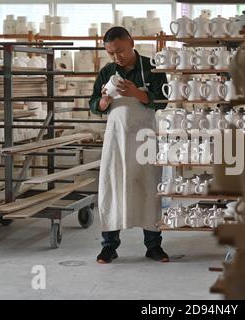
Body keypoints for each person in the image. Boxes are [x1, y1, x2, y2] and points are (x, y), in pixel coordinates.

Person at [89, 27, 169, 263]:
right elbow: (94, 104)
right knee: (112, 187)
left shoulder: (152, 68)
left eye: (120, 51)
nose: (117, 57)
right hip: (117, 139)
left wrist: (136, 93)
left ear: (132, 42)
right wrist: (104, 100)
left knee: (149, 187)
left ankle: (153, 245)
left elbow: (162, 101)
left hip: (144, 137)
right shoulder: (107, 72)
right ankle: (109, 246)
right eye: (111, 53)